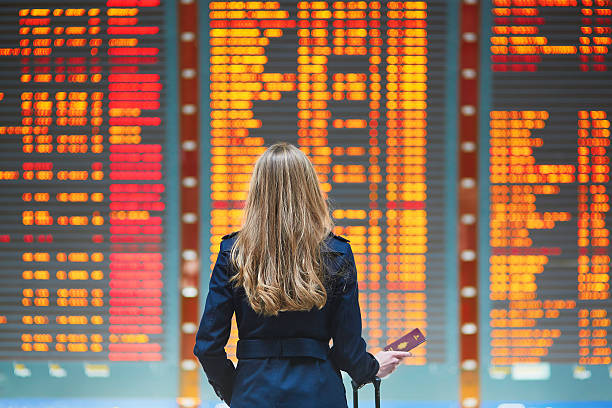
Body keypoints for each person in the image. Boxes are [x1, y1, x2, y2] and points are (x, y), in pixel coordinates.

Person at [194, 143, 412, 407]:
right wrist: (372, 366)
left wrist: (237, 393)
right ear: (310, 188)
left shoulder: (234, 252)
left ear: (257, 190)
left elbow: (208, 347)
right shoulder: (337, 252)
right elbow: (347, 351)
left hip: (253, 392)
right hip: (320, 393)